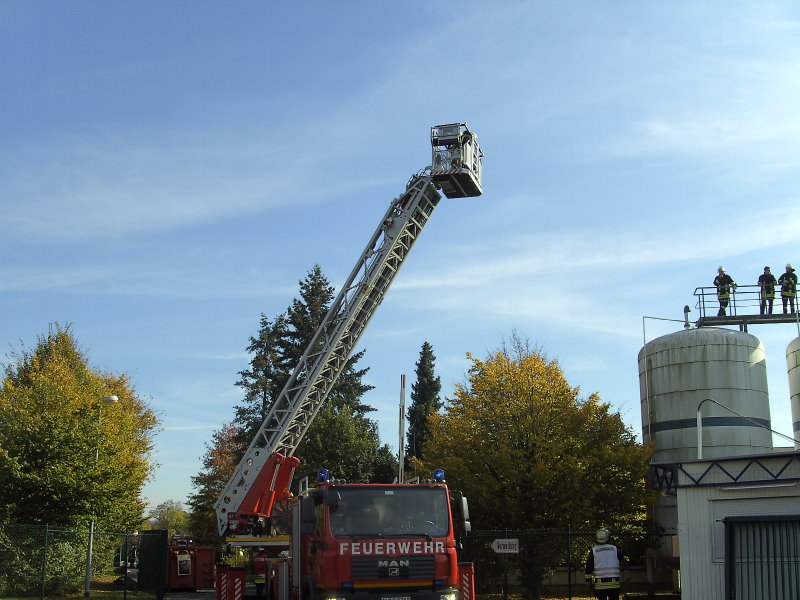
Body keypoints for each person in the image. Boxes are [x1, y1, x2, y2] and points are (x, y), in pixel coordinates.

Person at [585, 528, 623, 600]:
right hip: (614, 583)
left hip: (600, 584)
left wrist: (588, 578)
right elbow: (621, 559)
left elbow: (589, 566)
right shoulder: (615, 549)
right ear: (608, 538)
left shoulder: (594, 550)